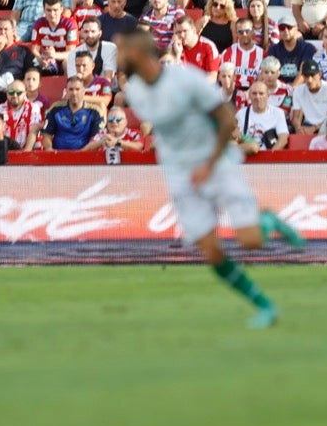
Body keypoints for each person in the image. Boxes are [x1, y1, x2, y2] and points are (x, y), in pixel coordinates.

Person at [116, 30, 304, 328]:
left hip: (216, 163)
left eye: (123, 52)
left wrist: (209, 162)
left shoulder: (186, 79)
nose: (118, 58)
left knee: (250, 241)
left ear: (139, 55)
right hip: (181, 174)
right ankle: (264, 306)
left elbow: (226, 119)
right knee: (211, 251)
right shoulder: (136, 92)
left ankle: (267, 221)